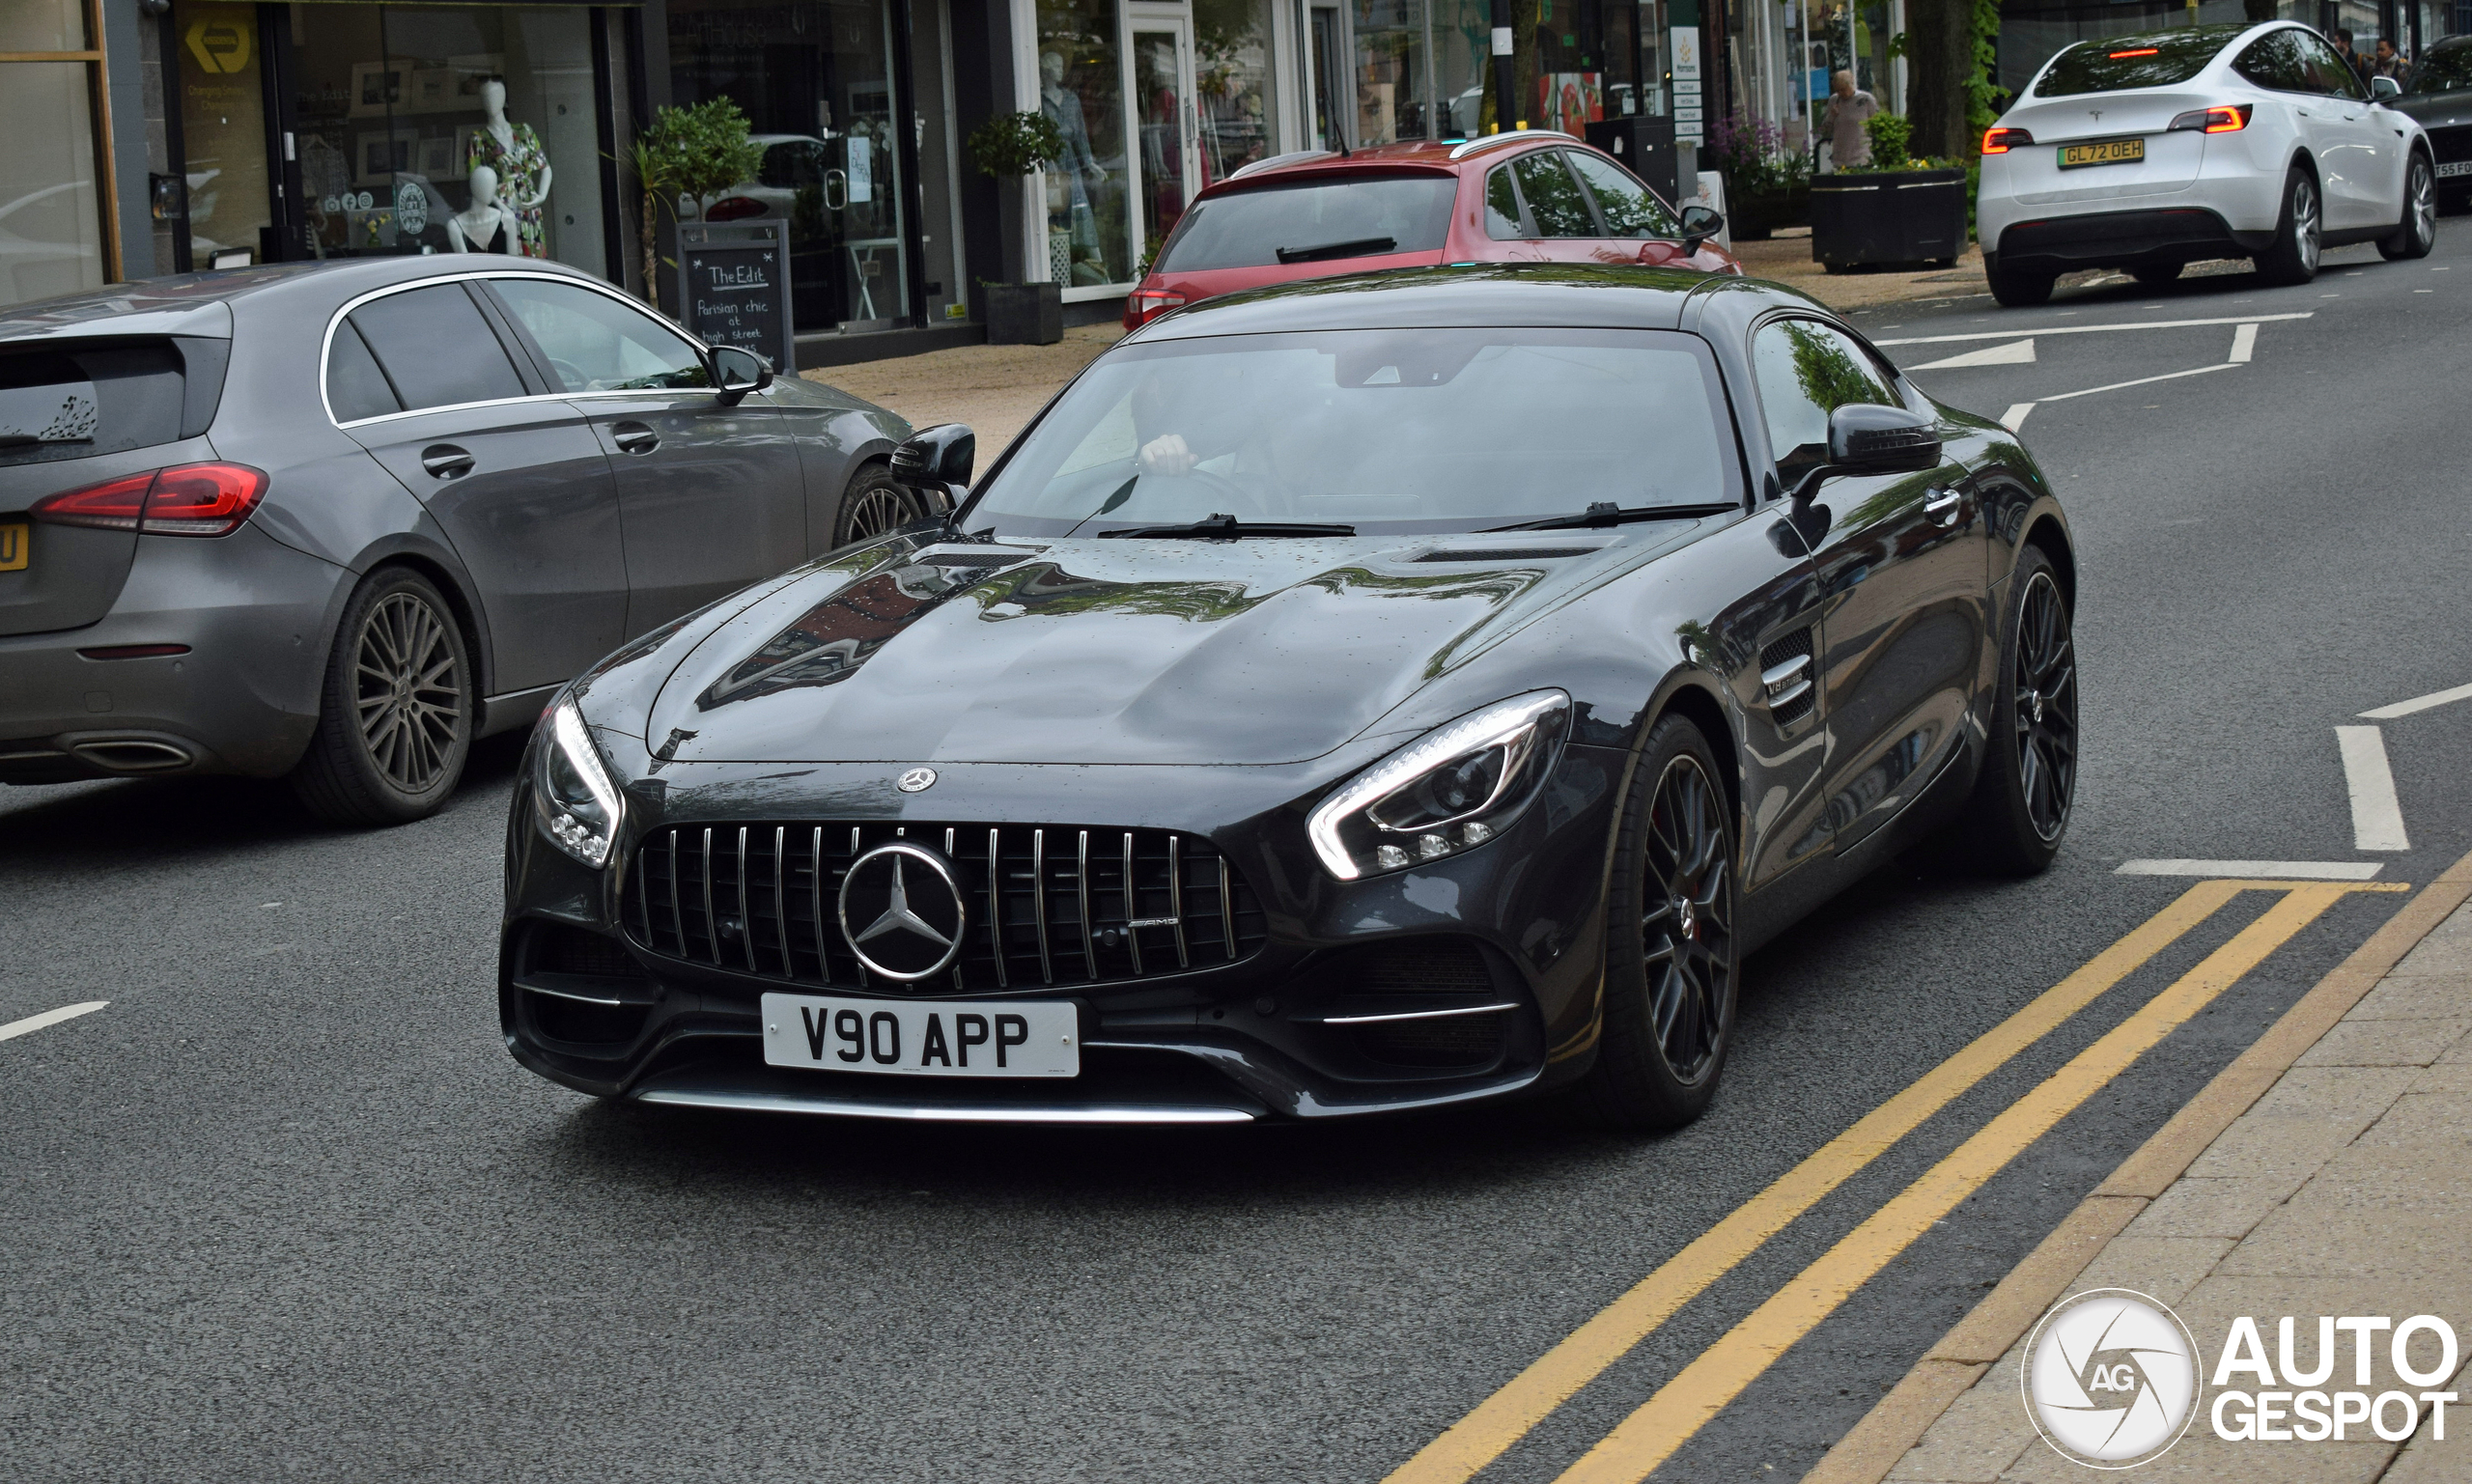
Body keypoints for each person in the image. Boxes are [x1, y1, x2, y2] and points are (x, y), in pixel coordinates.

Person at [1821, 70, 1878, 173]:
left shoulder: (1865, 100)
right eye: (1838, 90)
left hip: (1862, 157)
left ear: (1851, 83)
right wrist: (1832, 115)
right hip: (1840, 159)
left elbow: (1877, 124)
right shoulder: (1834, 100)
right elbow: (1825, 130)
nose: (1841, 93)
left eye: (1843, 89)